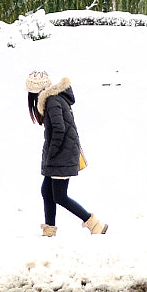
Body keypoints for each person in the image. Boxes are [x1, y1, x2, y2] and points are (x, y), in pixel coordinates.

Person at [26, 71, 106, 236]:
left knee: (60, 196)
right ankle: (49, 231)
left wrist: (52, 153)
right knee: (47, 191)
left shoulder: (52, 101)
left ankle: (95, 225)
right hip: (61, 153)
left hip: (62, 154)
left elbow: (59, 130)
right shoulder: (53, 99)